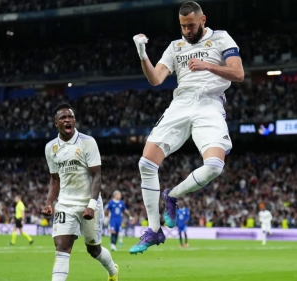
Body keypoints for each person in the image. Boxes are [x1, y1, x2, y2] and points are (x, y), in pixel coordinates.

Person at [130, 1, 244, 254]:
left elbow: (238, 73)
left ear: (203, 20)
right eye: (183, 26)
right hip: (180, 104)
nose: (187, 30)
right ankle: (154, 230)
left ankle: (172, 195)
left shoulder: (222, 38)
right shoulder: (175, 47)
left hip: (210, 105)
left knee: (214, 166)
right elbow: (156, 79)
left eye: (191, 25)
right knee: (146, 163)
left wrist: (208, 66)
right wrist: (142, 53)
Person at [42, 102, 119, 281]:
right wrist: (49, 204)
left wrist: (91, 205)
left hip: (88, 204)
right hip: (65, 204)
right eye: (63, 118)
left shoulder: (87, 142)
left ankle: (113, 272)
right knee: (62, 247)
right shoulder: (50, 148)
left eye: (71, 117)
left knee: (93, 249)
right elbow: (55, 179)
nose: (68, 120)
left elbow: (97, 176)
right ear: (56, 123)